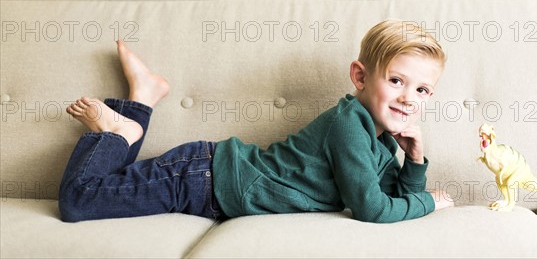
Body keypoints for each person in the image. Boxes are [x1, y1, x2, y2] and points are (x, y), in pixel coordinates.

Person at [59, 19, 454, 223]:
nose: (408, 98)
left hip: (210, 181)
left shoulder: (380, 140)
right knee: (80, 200)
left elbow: (390, 197)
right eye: (397, 80)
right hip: (202, 180)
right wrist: (427, 202)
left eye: (422, 90)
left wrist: (415, 161)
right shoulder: (349, 125)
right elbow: (373, 209)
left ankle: (142, 98)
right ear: (360, 77)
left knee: (109, 186)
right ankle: (125, 127)